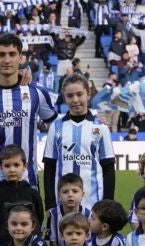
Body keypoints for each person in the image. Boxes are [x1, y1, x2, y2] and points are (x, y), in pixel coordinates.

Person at [0, 33, 57, 187]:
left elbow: (56, 127)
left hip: (28, 182)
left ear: (20, 58)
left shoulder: (37, 92)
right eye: (1, 55)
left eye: (12, 54)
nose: (7, 60)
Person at [42, 73, 115, 211]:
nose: (75, 100)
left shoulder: (100, 127)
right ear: (64, 98)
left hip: (94, 206)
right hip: (62, 207)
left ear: (88, 94)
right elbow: (49, 168)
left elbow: (108, 168)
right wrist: (50, 204)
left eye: (79, 94)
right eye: (70, 96)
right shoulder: (56, 127)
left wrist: (108, 204)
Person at [0, 144, 43, 246]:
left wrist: (33, 237)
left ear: (25, 166)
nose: (12, 170)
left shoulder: (33, 194)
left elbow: (39, 218)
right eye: (7, 166)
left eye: (16, 165)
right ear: (1, 167)